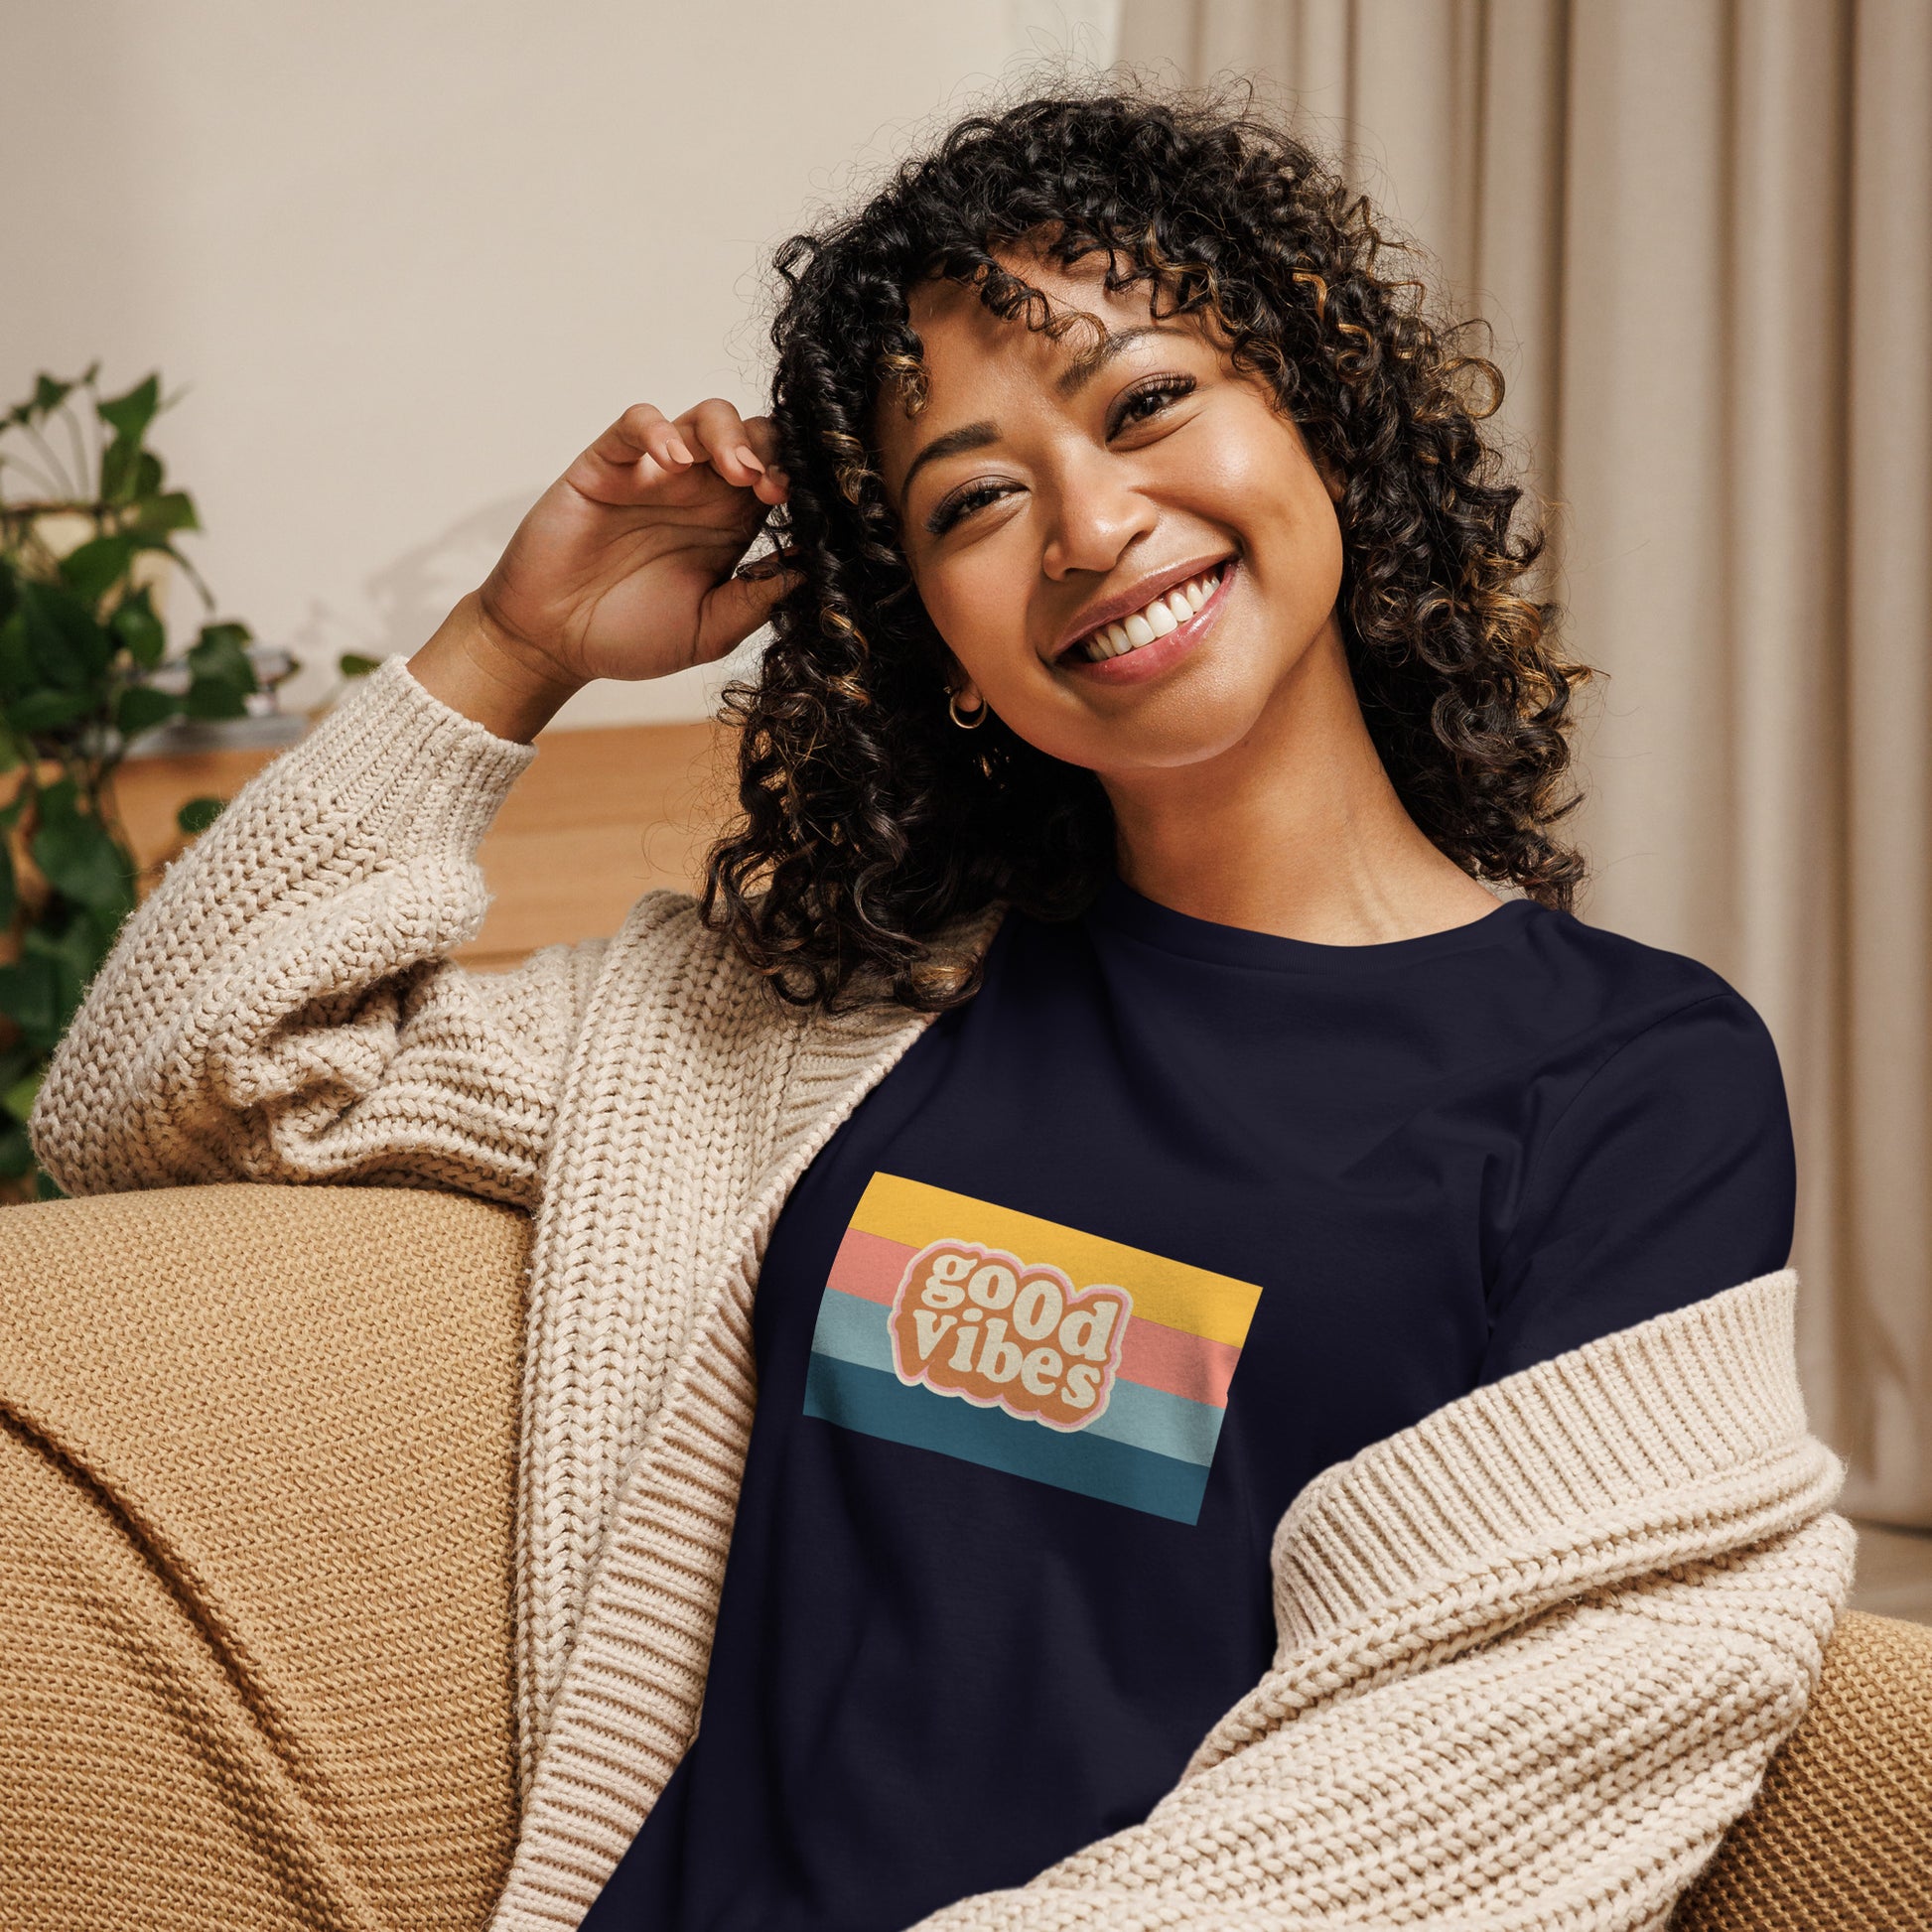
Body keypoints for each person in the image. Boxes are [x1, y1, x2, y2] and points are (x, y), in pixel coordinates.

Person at [26, 83, 1850, 1932]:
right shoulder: (809, 1027)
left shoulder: (1626, 1078)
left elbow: (1506, 1750)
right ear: (937, 639)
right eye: (974, 495)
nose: (1086, 521)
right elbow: (174, 1089)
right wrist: (511, 646)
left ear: (1318, 418)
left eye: (1146, 402)